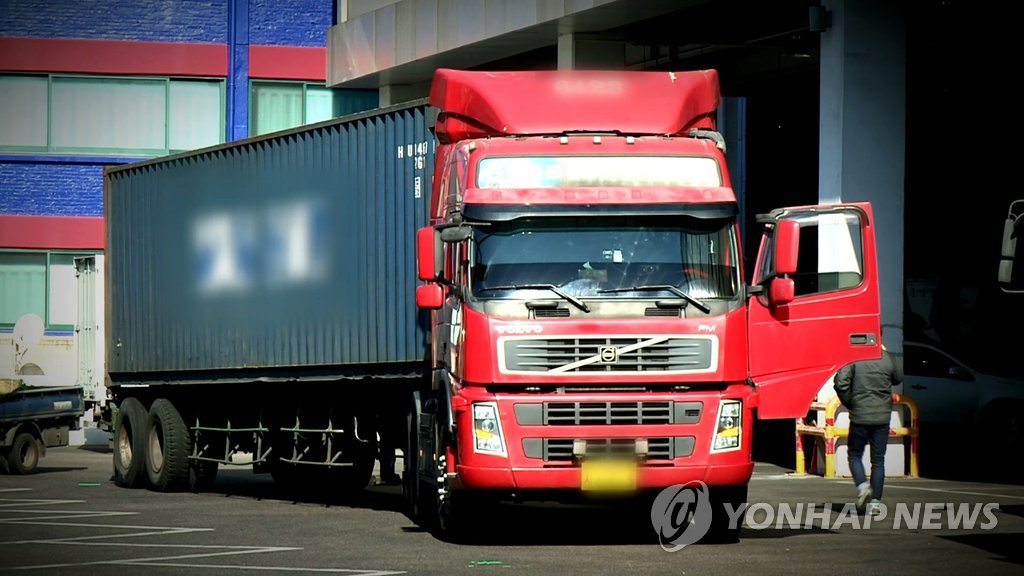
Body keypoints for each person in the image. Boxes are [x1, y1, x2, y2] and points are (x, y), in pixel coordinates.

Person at [833, 340, 903, 516]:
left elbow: (840, 382)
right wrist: (889, 355)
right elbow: (898, 377)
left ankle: (863, 486)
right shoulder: (886, 358)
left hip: (860, 416)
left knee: (854, 455)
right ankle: (875, 504)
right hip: (882, 417)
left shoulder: (854, 358)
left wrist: (851, 403)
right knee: (878, 460)